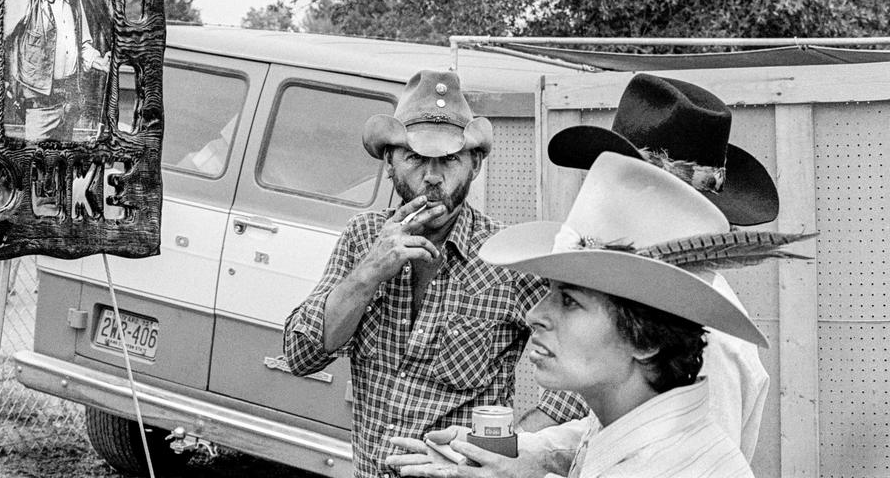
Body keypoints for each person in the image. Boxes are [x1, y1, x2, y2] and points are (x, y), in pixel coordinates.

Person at [390, 74, 780, 476]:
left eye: (571, 299)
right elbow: (621, 436)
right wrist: (526, 452)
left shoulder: (711, 344)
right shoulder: (649, 345)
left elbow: (665, 461)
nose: (606, 186)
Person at [283, 69, 588, 478]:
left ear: (475, 164)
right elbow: (301, 357)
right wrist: (368, 274)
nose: (431, 176)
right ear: (390, 164)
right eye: (415, 158)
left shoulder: (506, 258)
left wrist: (511, 448)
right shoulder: (363, 238)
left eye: (448, 159)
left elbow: (585, 370)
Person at [4, 0, 110, 141]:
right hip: (38, 107)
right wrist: (3, 82)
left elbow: (83, 47)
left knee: (62, 171)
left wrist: (100, 61)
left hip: (68, 105)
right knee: (33, 170)